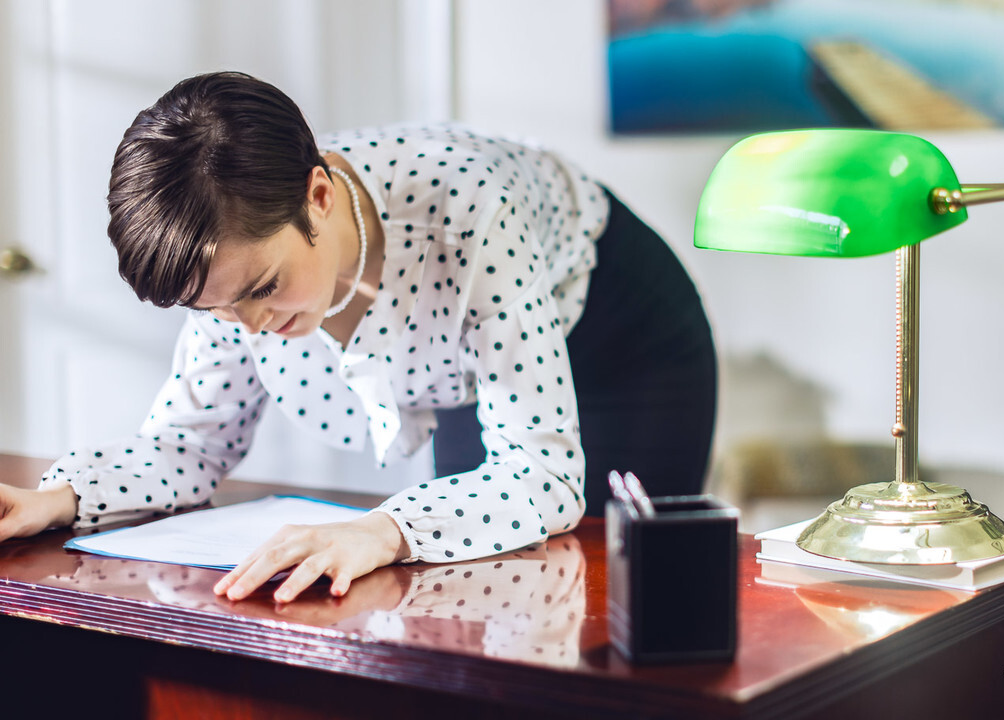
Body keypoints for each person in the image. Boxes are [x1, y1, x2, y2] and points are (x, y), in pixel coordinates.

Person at [0, 71, 717, 604]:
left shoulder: (469, 212)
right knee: (474, 590)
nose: (248, 329)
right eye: (213, 310)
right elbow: (190, 444)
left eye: (262, 290)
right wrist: (58, 497)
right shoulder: (234, 251)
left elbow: (542, 475)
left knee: (614, 593)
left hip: (624, 339)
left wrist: (381, 528)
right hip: (474, 363)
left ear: (319, 196)